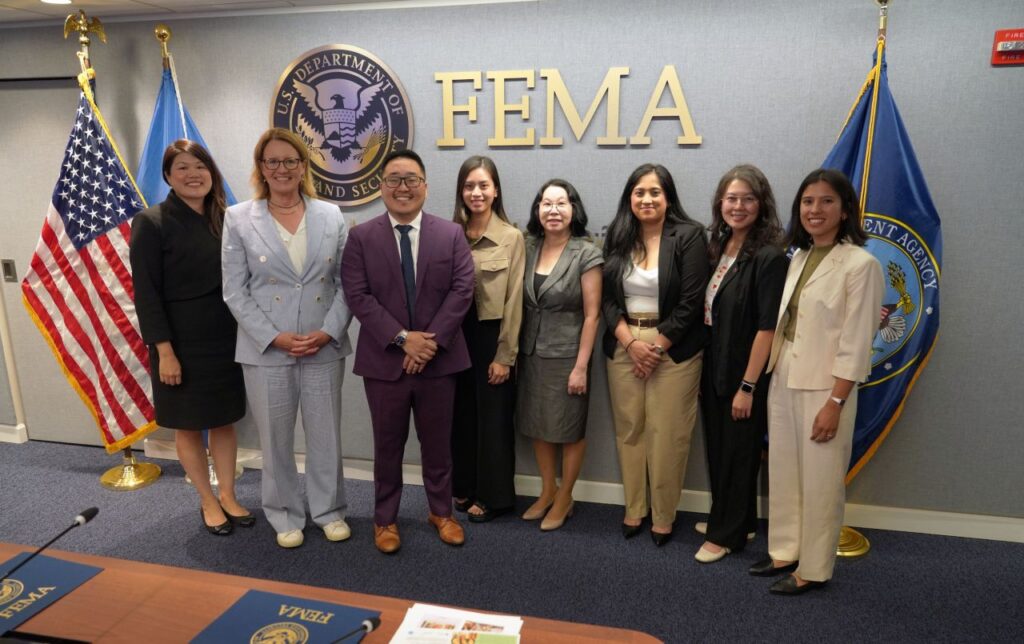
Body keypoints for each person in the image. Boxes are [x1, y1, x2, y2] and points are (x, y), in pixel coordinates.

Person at [750, 168, 883, 594]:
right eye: (808, 202)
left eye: (826, 201)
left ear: (845, 210)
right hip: (786, 374)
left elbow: (857, 341)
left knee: (822, 481)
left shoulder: (862, 265)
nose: (815, 210)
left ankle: (813, 567)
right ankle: (785, 551)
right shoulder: (800, 257)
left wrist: (837, 402)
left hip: (827, 387)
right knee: (785, 472)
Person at [221, 128, 353, 549]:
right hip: (266, 349)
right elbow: (234, 291)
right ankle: (284, 514)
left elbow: (347, 283)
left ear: (303, 166)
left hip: (322, 344)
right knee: (275, 438)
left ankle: (329, 510)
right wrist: (274, 336)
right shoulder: (239, 218)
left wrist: (329, 330)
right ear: (261, 168)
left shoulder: (331, 215)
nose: (282, 169)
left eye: (290, 161)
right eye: (272, 161)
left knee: (325, 434)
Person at [340, 149, 475, 554]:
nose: (403, 187)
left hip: (439, 361)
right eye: (395, 179)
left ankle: (441, 512)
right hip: (385, 363)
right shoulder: (361, 237)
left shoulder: (450, 234)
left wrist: (427, 343)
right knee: (387, 446)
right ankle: (385, 520)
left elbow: (462, 289)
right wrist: (403, 339)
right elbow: (358, 296)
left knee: (438, 444)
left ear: (425, 187)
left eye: (411, 179)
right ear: (381, 187)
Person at [130, 139, 250, 536]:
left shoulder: (225, 217)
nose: (192, 174)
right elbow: (146, 293)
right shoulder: (152, 222)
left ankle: (229, 494)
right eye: (182, 167)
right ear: (167, 176)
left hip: (225, 334)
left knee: (225, 420)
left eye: (199, 166)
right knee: (188, 424)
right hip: (178, 341)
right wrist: (164, 351)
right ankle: (207, 499)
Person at [601, 163, 709, 546]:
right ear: (629, 198)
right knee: (630, 430)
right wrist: (631, 344)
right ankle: (635, 508)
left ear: (668, 197)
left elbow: (692, 301)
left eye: (655, 192)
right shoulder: (617, 236)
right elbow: (607, 301)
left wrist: (656, 347)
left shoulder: (690, 235)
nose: (647, 199)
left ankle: (664, 516)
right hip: (624, 343)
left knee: (668, 434)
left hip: (675, 350)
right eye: (639, 193)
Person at [695, 165, 787, 563]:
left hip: (744, 371)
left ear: (762, 204)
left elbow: (768, 328)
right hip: (715, 363)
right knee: (719, 447)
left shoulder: (770, 256)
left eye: (748, 198)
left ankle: (726, 535)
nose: (738, 206)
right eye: (731, 198)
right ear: (720, 203)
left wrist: (748, 386)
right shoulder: (720, 247)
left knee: (738, 452)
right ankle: (737, 519)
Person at [517, 179, 603, 531]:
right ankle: (546, 490)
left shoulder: (587, 251)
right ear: (538, 210)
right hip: (531, 352)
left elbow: (593, 314)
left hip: (569, 355)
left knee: (568, 429)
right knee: (538, 424)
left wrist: (581, 366)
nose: (553, 210)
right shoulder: (527, 246)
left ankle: (566, 496)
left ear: (573, 209)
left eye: (561, 203)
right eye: (546, 204)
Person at [450, 156, 525, 523]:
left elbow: (514, 300)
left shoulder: (511, 237)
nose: (476, 192)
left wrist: (505, 356)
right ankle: (463, 484)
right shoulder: (449, 233)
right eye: (469, 186)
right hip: (454, 337)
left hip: (491, 336)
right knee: (460, 416)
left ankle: (494, 496)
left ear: (495, 191)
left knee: (493, 420)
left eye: (483, 185)